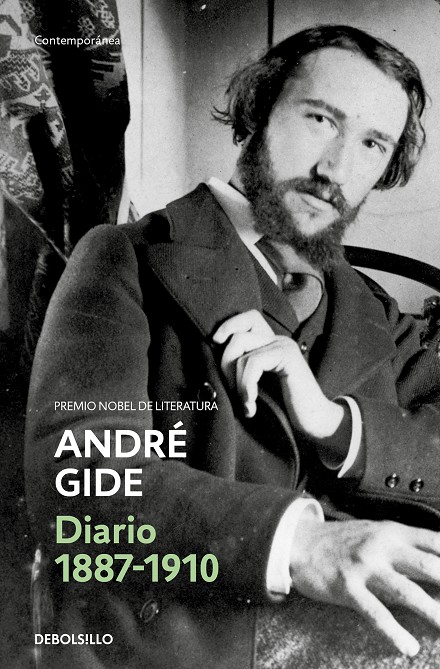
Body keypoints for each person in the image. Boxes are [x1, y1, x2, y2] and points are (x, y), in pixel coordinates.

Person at [25, 25, 440, 669]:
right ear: (258, 113)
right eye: (321, 119)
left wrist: (336, 424)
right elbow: (77, 477)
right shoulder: (123, 258)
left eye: (372, 143)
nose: (336, 170)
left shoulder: (376, 311)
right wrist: (300, 544)